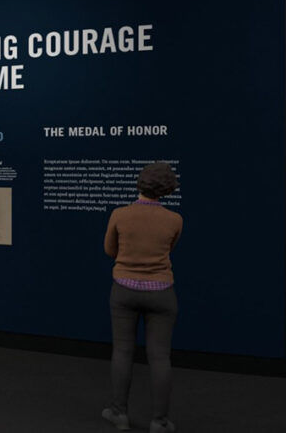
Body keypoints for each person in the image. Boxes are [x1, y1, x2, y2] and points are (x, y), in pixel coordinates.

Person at [101, 163, 182, 433]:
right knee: (160, 357)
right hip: (162, 293)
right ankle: (159, 421)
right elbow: (169, 249)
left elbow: (109, 249)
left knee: (122, 351)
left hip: (124, 290)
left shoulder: (120, 215)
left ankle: (119, 414)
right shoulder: (175, 219)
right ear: (167, 189)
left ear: (140, 183)